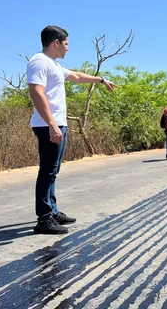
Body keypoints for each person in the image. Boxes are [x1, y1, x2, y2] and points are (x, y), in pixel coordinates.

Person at [27, 25, 117, 234]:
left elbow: (76, 76)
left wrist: (101, 80)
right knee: (47, 171)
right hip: (48, 124)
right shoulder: (39, 62)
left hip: (58, 124)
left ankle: (52, 210)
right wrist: (51, 124)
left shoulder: (54, 65)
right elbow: (36, 93)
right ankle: (44, 219)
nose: (68, 49)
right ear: (56, 43)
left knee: (54, 170)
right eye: (66, 44)